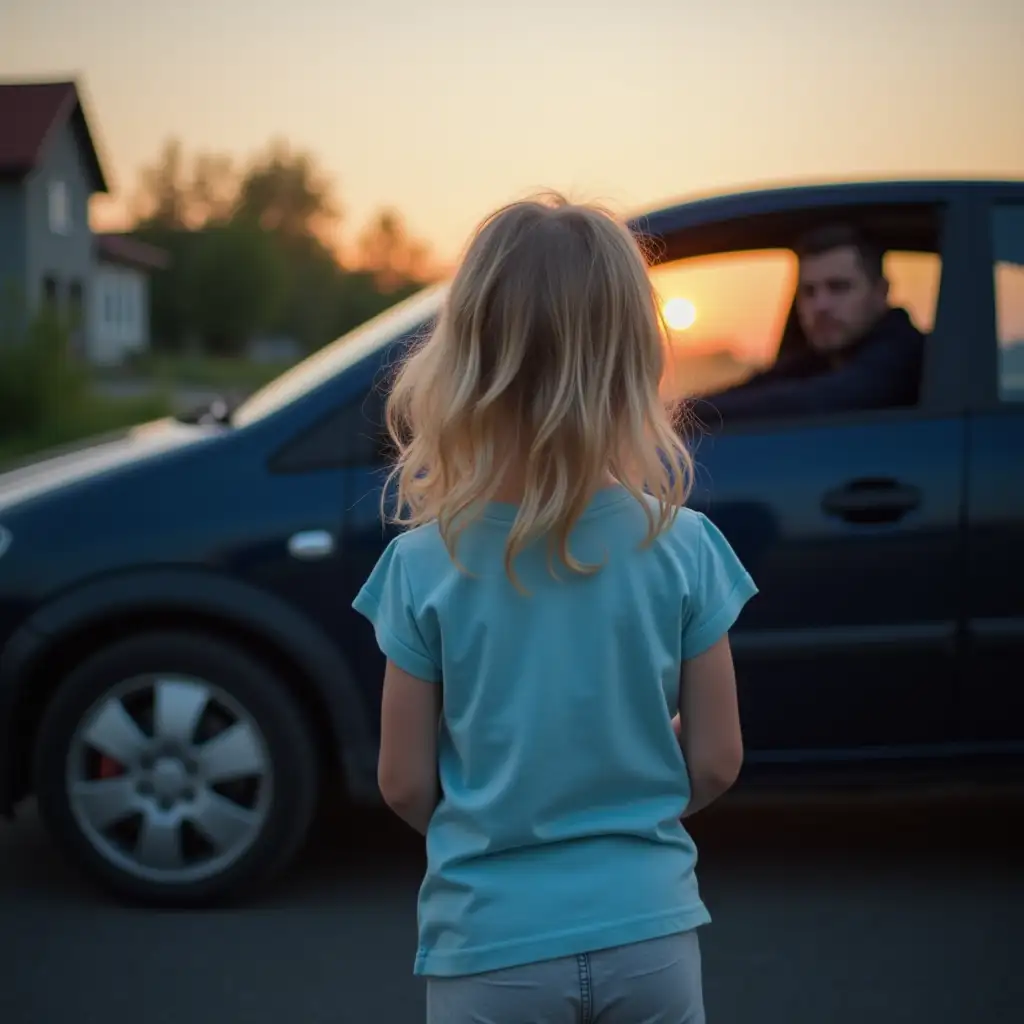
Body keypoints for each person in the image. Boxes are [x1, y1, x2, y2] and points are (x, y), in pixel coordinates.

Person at [352, 195, 757, 1024]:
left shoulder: (423, 563)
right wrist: (621, 792)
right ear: (636, 358)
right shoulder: (684, 546)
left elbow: (400, 782)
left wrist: (503, 811)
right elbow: (716, 761)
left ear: (463, 355)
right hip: (650, 932)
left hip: (489, 945)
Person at [692, 223, 925, 423]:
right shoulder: (820, 359)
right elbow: (755, 391)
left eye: (839, 287)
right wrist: (675, 415)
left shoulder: (904, 355)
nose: (820, 305)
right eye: (809, 292)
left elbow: (820, 400)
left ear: (880, 292)